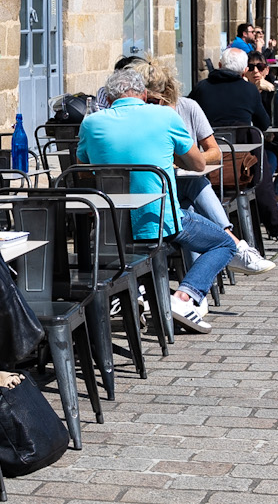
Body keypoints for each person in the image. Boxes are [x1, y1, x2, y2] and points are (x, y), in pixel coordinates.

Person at [75, 62, 236, 332]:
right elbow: (199, 164)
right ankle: (184, 297)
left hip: (111, 226)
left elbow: (82, 170)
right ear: (143, 94)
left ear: (110, 99)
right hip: (158, 222)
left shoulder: (91, 123)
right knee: (224, 243)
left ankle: (136, 293)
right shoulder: (165, 116)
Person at [143, 61, 273, 274]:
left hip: (180, 185)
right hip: (157, 192)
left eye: (158, 100)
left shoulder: (188, 107)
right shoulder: (142, 117)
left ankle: (197, 285)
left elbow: (214, 152)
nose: (155, 105)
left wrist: (189, 159)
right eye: (150, 100)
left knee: (191, 196)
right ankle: (234, 247)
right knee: (192, 193)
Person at [190, 47, 278, 240]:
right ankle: (272, 223)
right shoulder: (249, 89)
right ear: (244, 71)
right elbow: (264, 124)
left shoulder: (202, 88)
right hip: (242, 166)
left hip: (208, 163)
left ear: (219, 65)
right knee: (260, 154)